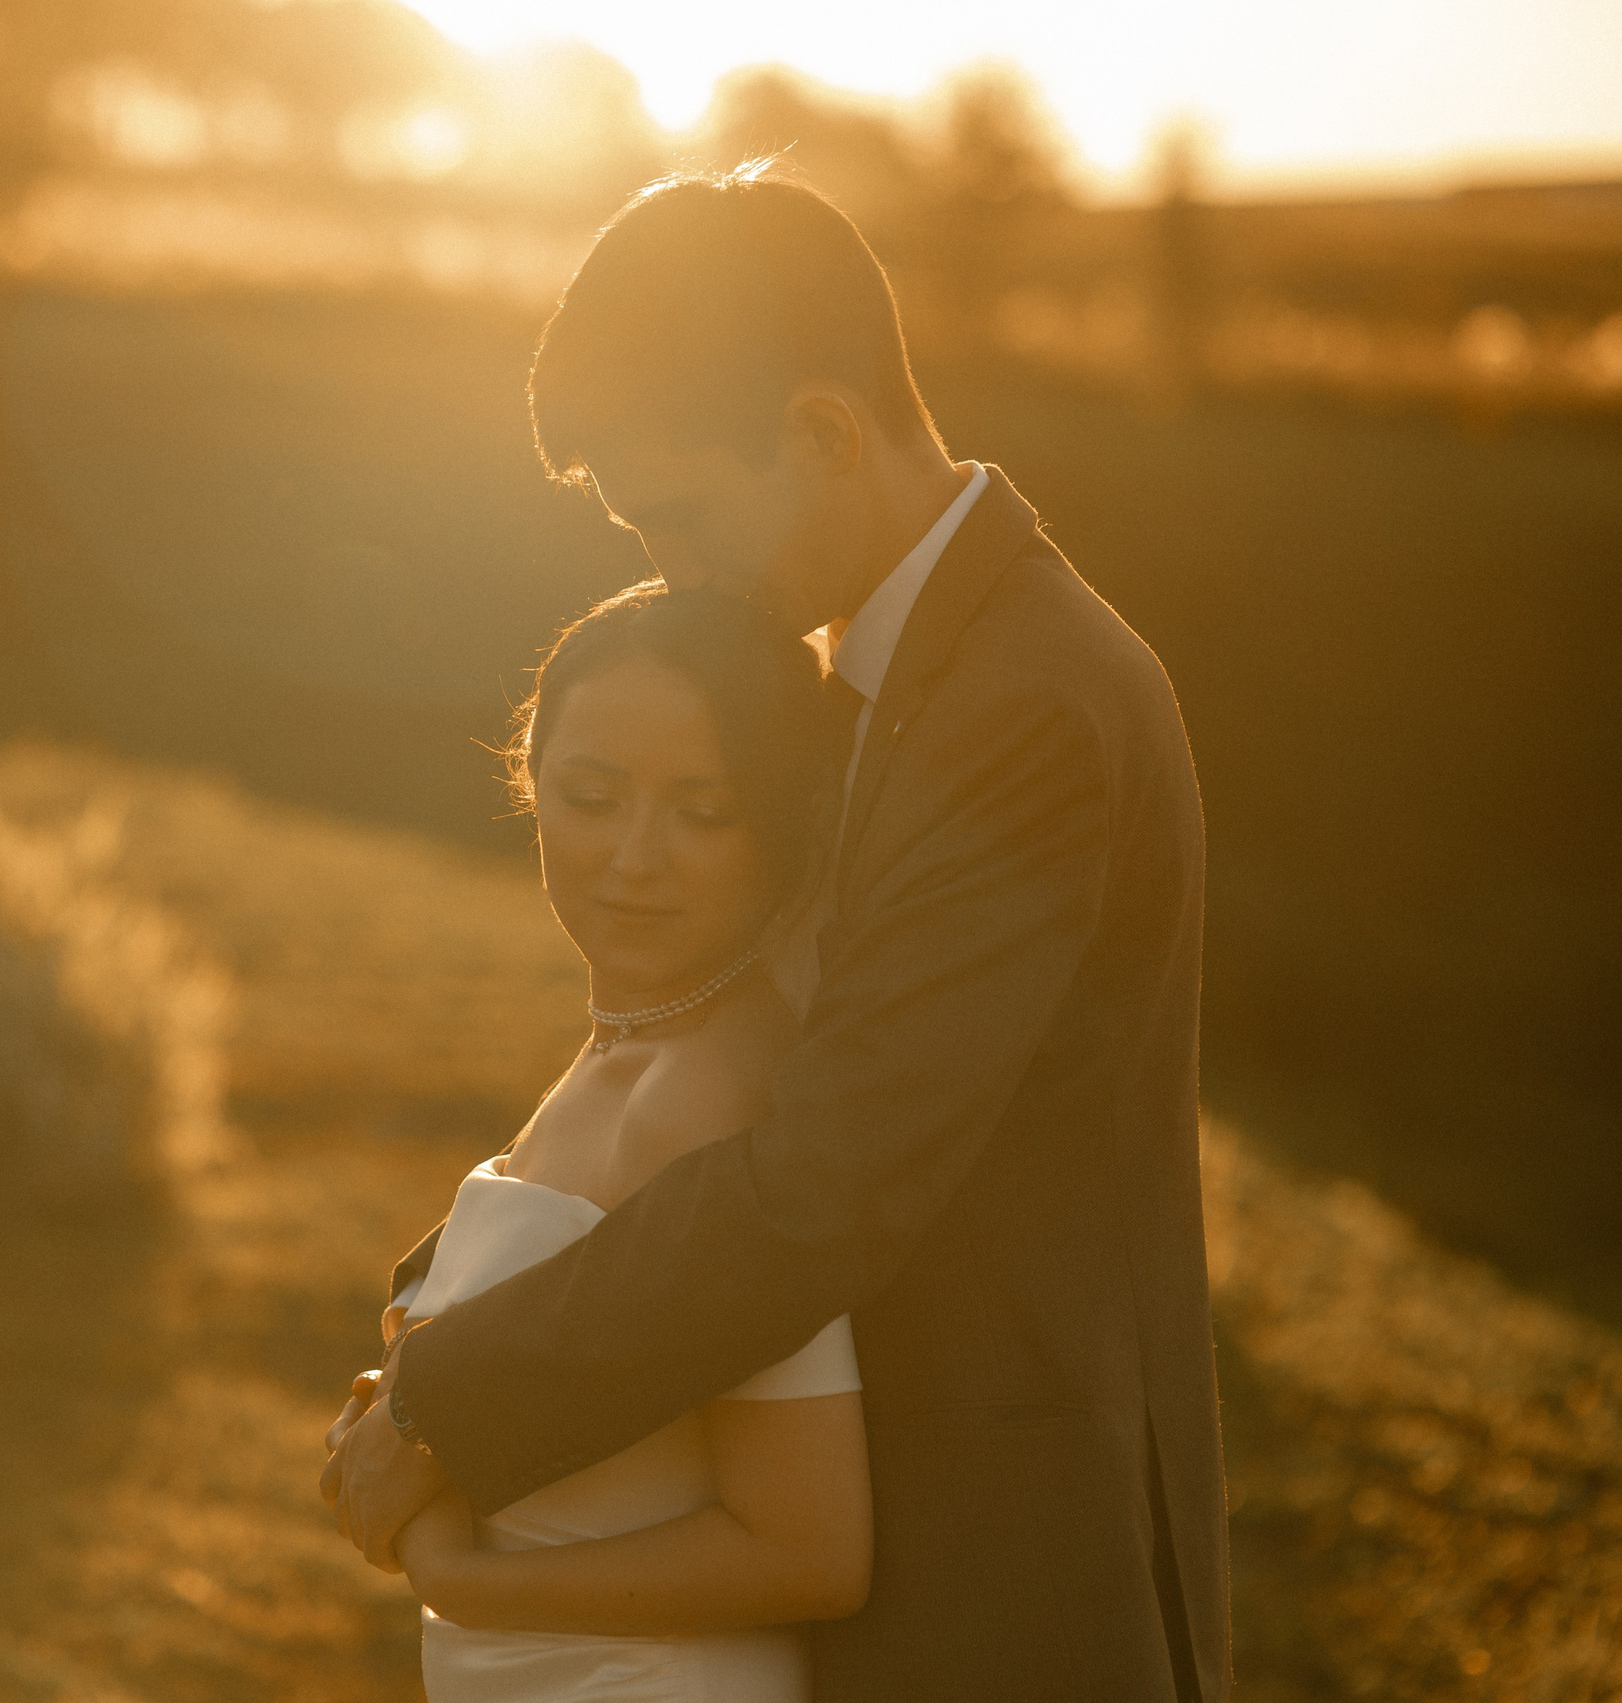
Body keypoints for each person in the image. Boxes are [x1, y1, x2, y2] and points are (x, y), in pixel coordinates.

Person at [322, 163, 1230, 1703]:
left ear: (822, 430)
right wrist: (459, 1274)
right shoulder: (895, 682)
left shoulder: (1025, 704)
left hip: (1006, 1579)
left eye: (678, 515)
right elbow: (728, 1025)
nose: (672, 572)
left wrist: (449, 1398)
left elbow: (831, 1172)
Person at [379, 582, 867, 1699]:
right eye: (592, 795)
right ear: (530, 781)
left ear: (783, 822)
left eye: (705, 811)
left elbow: (807, 1545)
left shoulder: (709, 1099)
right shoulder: (627, 1050)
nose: (635, 856)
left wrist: (457, 1575)